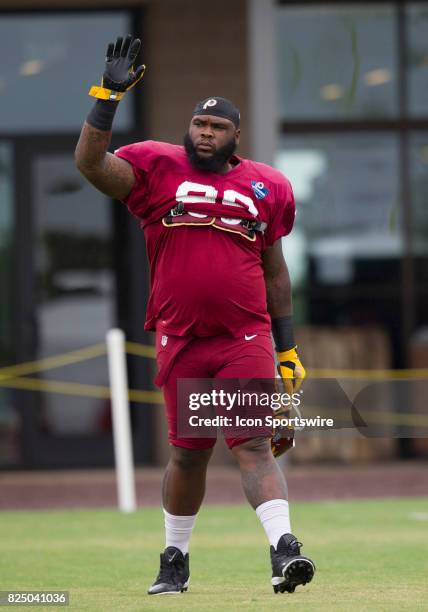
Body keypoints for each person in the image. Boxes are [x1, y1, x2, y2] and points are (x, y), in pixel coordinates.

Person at [75, 35, 315, 596]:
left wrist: (286, 346)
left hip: (244, 335)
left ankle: (284, 550)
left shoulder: (267, 185)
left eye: (217, 128)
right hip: (180, 336)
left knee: (253, 444)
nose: (205, 133)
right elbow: (90, 164)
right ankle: (174, 559)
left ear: (236, 135)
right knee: (188, 453)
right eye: (199, 125)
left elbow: (276, 272)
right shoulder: (156, 166)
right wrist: (106, 97)